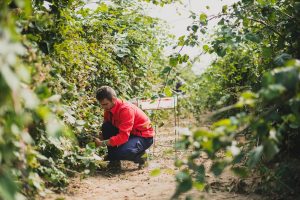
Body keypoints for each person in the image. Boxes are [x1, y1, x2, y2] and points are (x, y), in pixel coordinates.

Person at [94, 86, 154, 169]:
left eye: (105, 104)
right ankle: (114, 161)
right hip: (130, 134)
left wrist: (102, 143)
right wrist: (101, 136)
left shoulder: (126, 110)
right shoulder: (108, 108)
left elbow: (123, 137)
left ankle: (141, 156)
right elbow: (107, 127)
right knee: (106, 126)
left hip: (144, 137)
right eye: (102, 105)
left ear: (114, 99)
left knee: (122, 153)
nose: (104, 107)